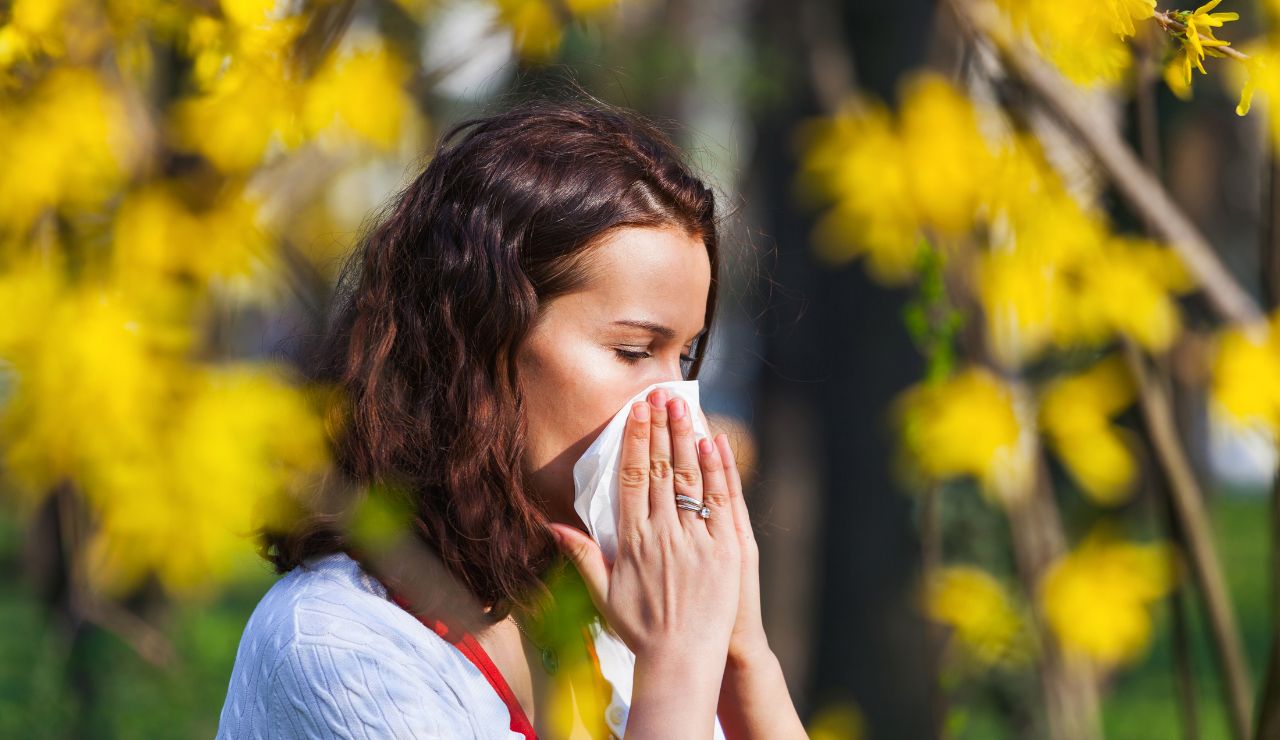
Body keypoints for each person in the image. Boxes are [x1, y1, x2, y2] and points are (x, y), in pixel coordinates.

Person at [215, 93, 808, 739]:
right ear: (478, 338)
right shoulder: (339, 645)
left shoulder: (606, 615)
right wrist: (677, 664)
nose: (676, 408)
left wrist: (740, 655)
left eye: (685, 355)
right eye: (634, 350)